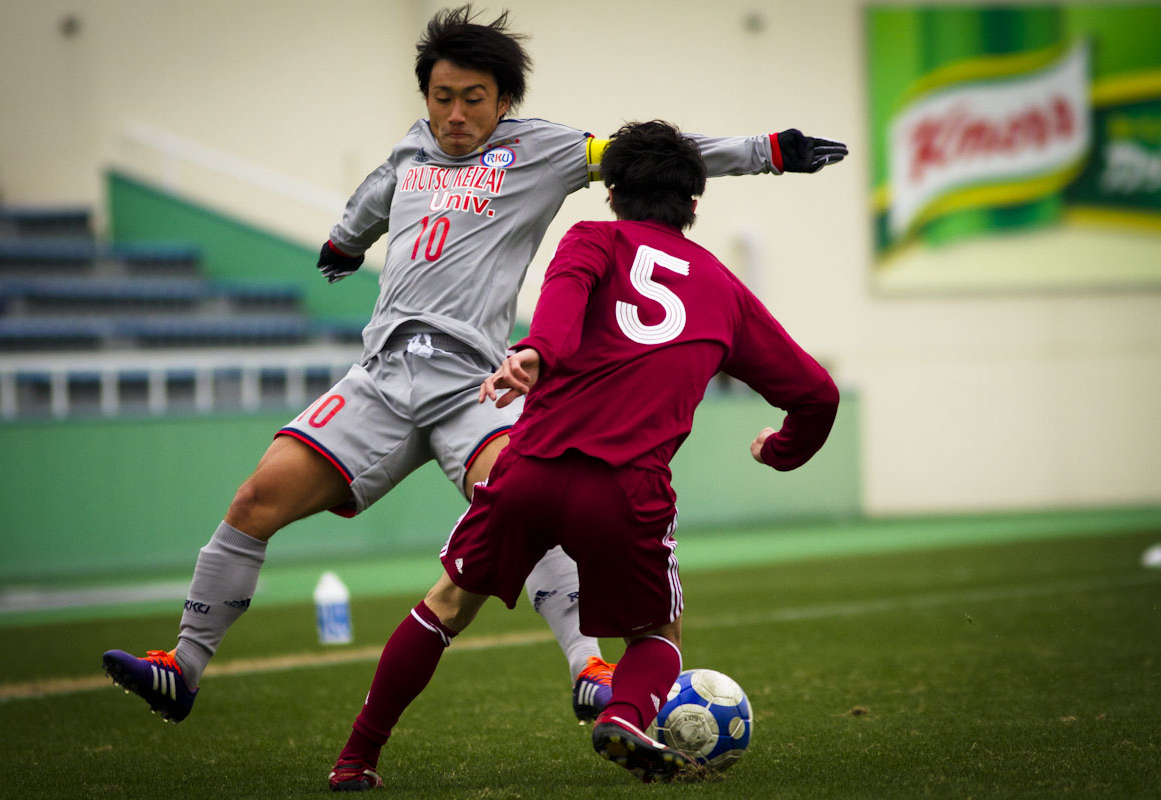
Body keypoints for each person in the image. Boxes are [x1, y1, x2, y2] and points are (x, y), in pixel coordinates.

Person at [101, 5, 848, 729]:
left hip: (477, 383)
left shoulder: (545, 150)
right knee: (255, 499)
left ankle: (589, 668)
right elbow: (375, 193)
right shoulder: (411, 148)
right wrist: (345, 241)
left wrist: (769, 153)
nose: (454, 115)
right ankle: (184, 666)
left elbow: (645, 155)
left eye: (473, 100)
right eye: (441, 98)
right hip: (384, 377)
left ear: (506, 101)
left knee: (533, 503)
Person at [326, 120, 840, 791]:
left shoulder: (592, 238)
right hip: (627, 491)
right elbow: (818, 396)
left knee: (446, 604)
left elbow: (561, 311)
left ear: (614, 194)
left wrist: (536, 354)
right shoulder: (724, 290)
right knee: (657, 632)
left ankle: (356, 759)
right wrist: (779, 450)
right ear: (694, 204)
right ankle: (625, 715)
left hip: (530, 467)